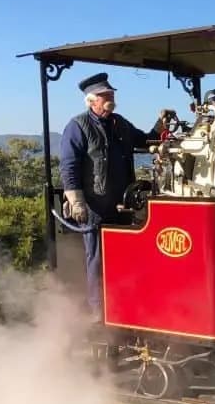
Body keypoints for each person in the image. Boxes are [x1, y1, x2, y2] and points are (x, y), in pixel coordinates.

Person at [60, 72, 166, 321]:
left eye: (110, 94)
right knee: (96, 259)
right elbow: (69, 166)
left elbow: (145, 140)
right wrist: (76, 200)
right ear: (91, 101)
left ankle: (123, 306)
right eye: (104, 95)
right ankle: (98, 312)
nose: (110, 98)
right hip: (95, 206)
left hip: (122, 204)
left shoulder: (120, 124)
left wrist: (160, 125)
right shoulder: (77, 126)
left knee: (125, 257)